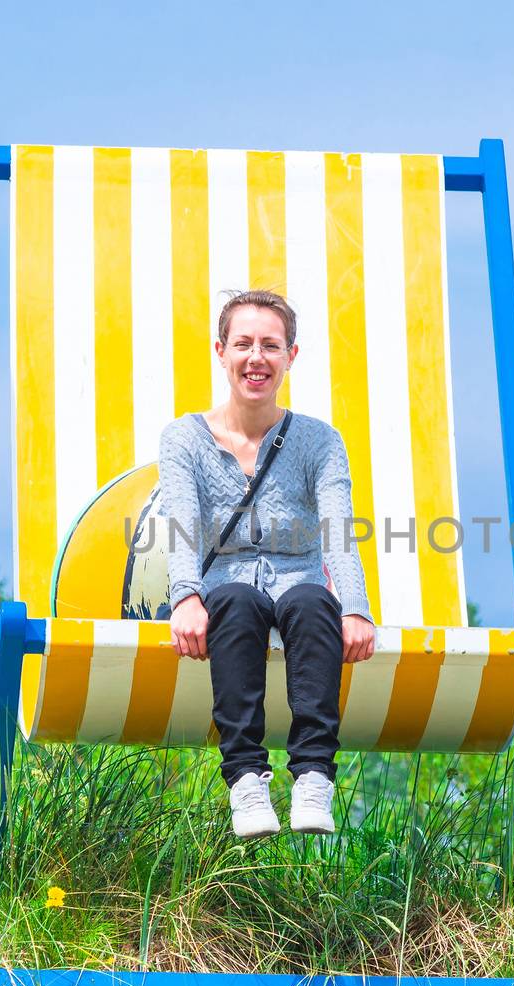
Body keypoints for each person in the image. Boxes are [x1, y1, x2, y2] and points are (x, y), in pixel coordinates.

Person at [156, 290, 376, 838]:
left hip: (300, 584)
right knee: (232, 600)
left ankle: (313, 777)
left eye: (271, 346)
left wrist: (356, 608)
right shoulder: (184, 438)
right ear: (221, 351)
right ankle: (246, 780)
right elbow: (180, 522)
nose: (257, 357)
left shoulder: (319, 442)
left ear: (290, 357)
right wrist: (184, 595)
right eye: (244, 344)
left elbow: (338, 533)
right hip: (226, 591)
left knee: (311, 602)